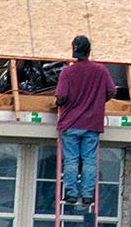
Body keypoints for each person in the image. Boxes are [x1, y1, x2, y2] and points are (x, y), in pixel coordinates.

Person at [55, 35, 116, 206]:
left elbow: (61, 96)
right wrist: (97, 101)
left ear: (74, 50)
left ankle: (71, 194)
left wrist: (59, 103)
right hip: (92, 124)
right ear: (89, 51)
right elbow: (112, 91)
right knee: (89, 159)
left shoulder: (67, 72)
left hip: (70, 123)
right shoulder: (101, 70)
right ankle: (88, 195)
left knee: (72, 159)